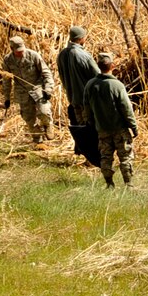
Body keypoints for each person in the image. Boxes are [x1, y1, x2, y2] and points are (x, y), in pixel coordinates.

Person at [84, 53, 138, 188]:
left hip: (102, 129)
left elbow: (86, 107)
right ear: (112, 66)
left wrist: (90, 123)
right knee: (125, 156)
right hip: (119, 129)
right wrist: (133, 126)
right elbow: (126, 108)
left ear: (98, 66)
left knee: (105, 157)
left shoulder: (90, 85)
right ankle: (129, 184)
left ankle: (109, 183)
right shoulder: (116, 85)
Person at [0, 34, 55, 145]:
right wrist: (6, 98)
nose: (21, 52)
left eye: (22, 49)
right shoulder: (7, 60)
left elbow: (46, 73)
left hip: (37, 89)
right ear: (12, 49)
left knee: (44, 112)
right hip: (22, 92)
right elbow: (6, 80)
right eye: (18, 51)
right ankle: (37, 139)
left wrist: (48, 88)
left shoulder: (33, 55)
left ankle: (48, 125)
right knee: (29, 118)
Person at [56, 26, 101, 129]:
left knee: (81, 129)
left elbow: (62, 76)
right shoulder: (83, 55)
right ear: (81, 38)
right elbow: (98, 76)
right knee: (92, 128)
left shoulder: (61, 55)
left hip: (73, 99)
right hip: (87, 101)